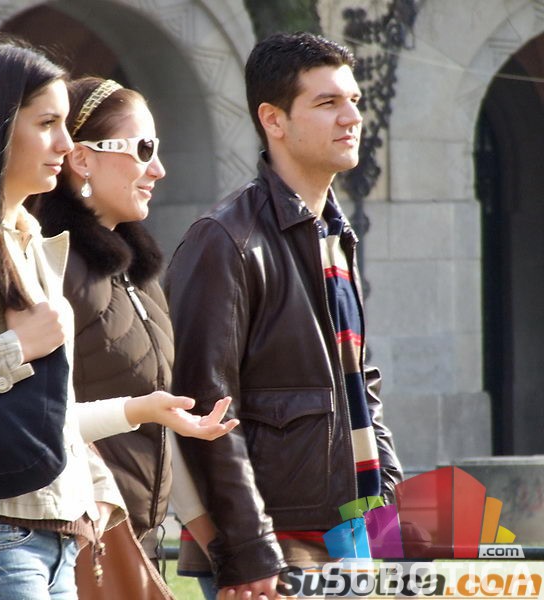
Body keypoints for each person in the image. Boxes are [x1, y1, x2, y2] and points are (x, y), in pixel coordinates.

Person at [0, 38, 235, 600]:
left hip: (50, 541)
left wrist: (140, 411)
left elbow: (34, 421)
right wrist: (11, 349)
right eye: (47, 124)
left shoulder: (28, 243)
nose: (63, 142)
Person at [165, 32, 404, 599]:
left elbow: (356, 382)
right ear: (273, 119)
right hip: (273, 550)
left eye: (354, 101)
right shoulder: (225, 239)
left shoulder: (334, 232)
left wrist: (387, 490)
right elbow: (206, 411)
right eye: (327, 103)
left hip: (351, 531)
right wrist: (249, 552)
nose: (351, 118)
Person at [29, 76, 238, 597]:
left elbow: (160, 420)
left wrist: (216, 542)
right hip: (70, 549)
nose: (158, 169)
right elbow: (34, 419)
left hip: (134, 543)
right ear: (83, 159)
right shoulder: (48, 265)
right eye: (143, 149)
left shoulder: (138, 276)